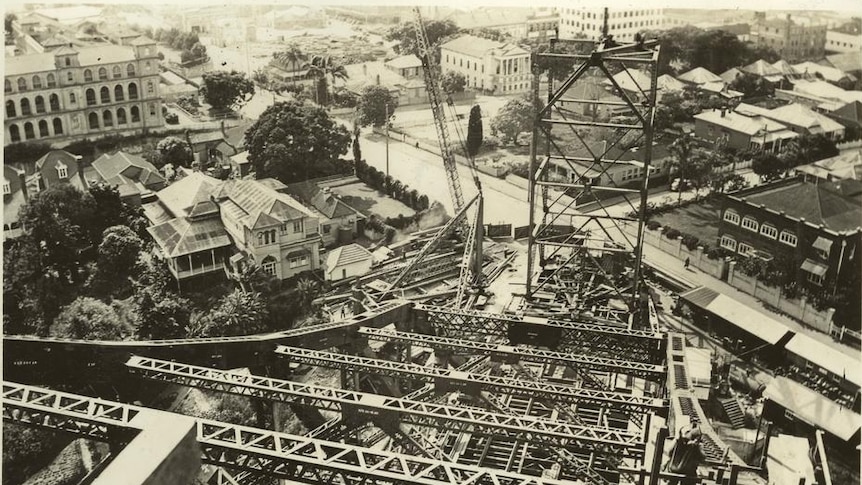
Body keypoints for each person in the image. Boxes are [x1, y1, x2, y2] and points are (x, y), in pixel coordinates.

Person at [664, 420, 706, 485]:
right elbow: (702, 459)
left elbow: (669, 452)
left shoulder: (678, 441)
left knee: (672, 480)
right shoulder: (696, 445)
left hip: (674, 469)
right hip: (689, 472)